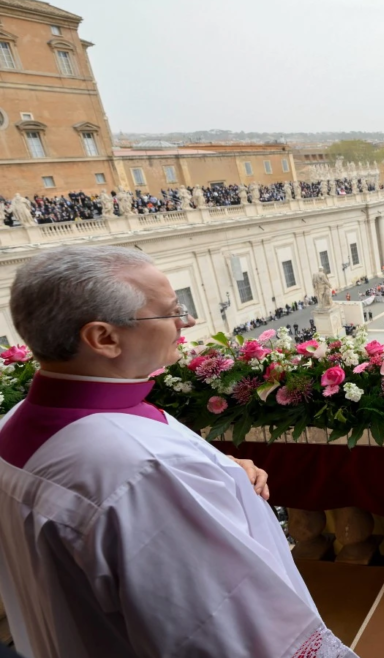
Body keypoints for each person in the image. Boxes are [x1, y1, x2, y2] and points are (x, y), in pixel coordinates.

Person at [0, 247, 356, 658]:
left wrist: (218, 472)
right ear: (104, 338)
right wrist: (188, 479)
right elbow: (223, 629)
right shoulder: (145, 471)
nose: (187, 321)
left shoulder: (14, 423)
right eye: (170, 312)